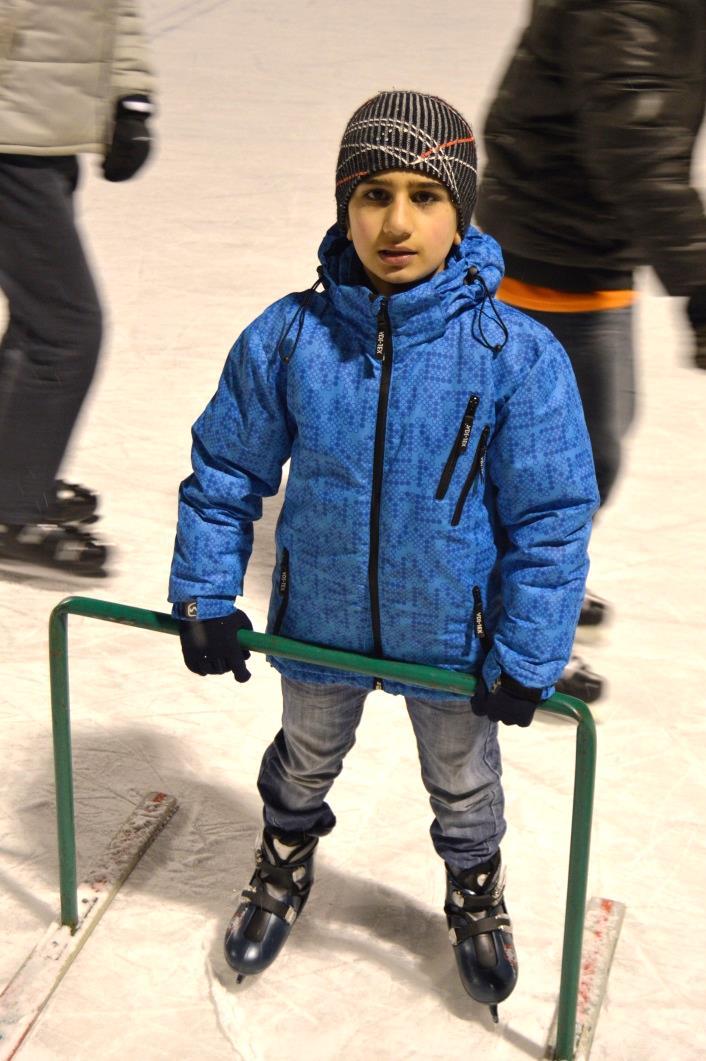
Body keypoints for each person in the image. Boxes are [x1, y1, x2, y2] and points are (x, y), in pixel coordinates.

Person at [169, 91, 599, 1015]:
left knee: (463, 779)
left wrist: (526, 654)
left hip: (452, 637)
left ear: (461, 212)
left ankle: (474, 889)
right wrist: (207, 589)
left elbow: (551, 517)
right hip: (321, 622)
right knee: (304, 756)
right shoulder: (290, 338)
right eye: (372, 193)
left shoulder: (514, 354)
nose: (396, 221)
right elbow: (224, 468)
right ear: (342, 206)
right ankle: (284, 856)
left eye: (424, 195)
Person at [475, 0, 706, 701]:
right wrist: (699, 271)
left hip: (594, 244)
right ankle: (506, 618)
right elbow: (632, 134)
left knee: (598, 441)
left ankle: (533, 580)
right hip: (549, 247)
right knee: (566, 460)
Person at [0, 0, 155, 578]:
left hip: (46, 135)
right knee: (66, 329)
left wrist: (130, 98)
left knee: (42, 324)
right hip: (10, 139)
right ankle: (10, 510)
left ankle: (15, 474)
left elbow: (116, 11)